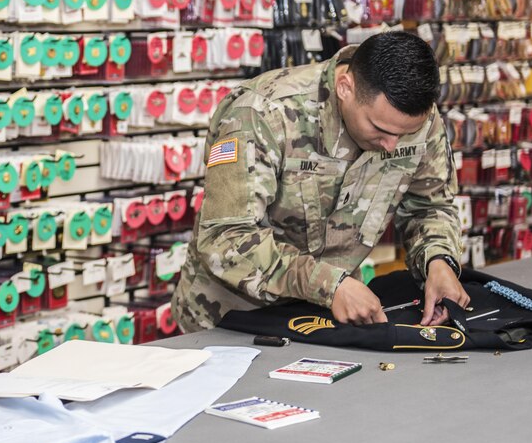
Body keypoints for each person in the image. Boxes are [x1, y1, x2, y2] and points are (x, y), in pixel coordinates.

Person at [175, 31, 470, 332]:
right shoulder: (262, 114)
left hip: (329, 317)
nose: (392, 145)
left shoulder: (411, 117)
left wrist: (438, 261)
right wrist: (328, 284)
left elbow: (430, 206)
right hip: (232, 319)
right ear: (345, 88)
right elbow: (225, 238)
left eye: (404, 135)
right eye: (379, 129)